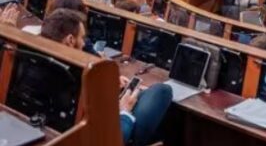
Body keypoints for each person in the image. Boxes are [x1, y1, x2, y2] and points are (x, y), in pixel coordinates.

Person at [41, 8, 172, 146]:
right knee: (162, 91)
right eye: (82, 37)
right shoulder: (69, 81)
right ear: (70, 40)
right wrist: (123, 112)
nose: (84, 43)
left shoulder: (42, 66)